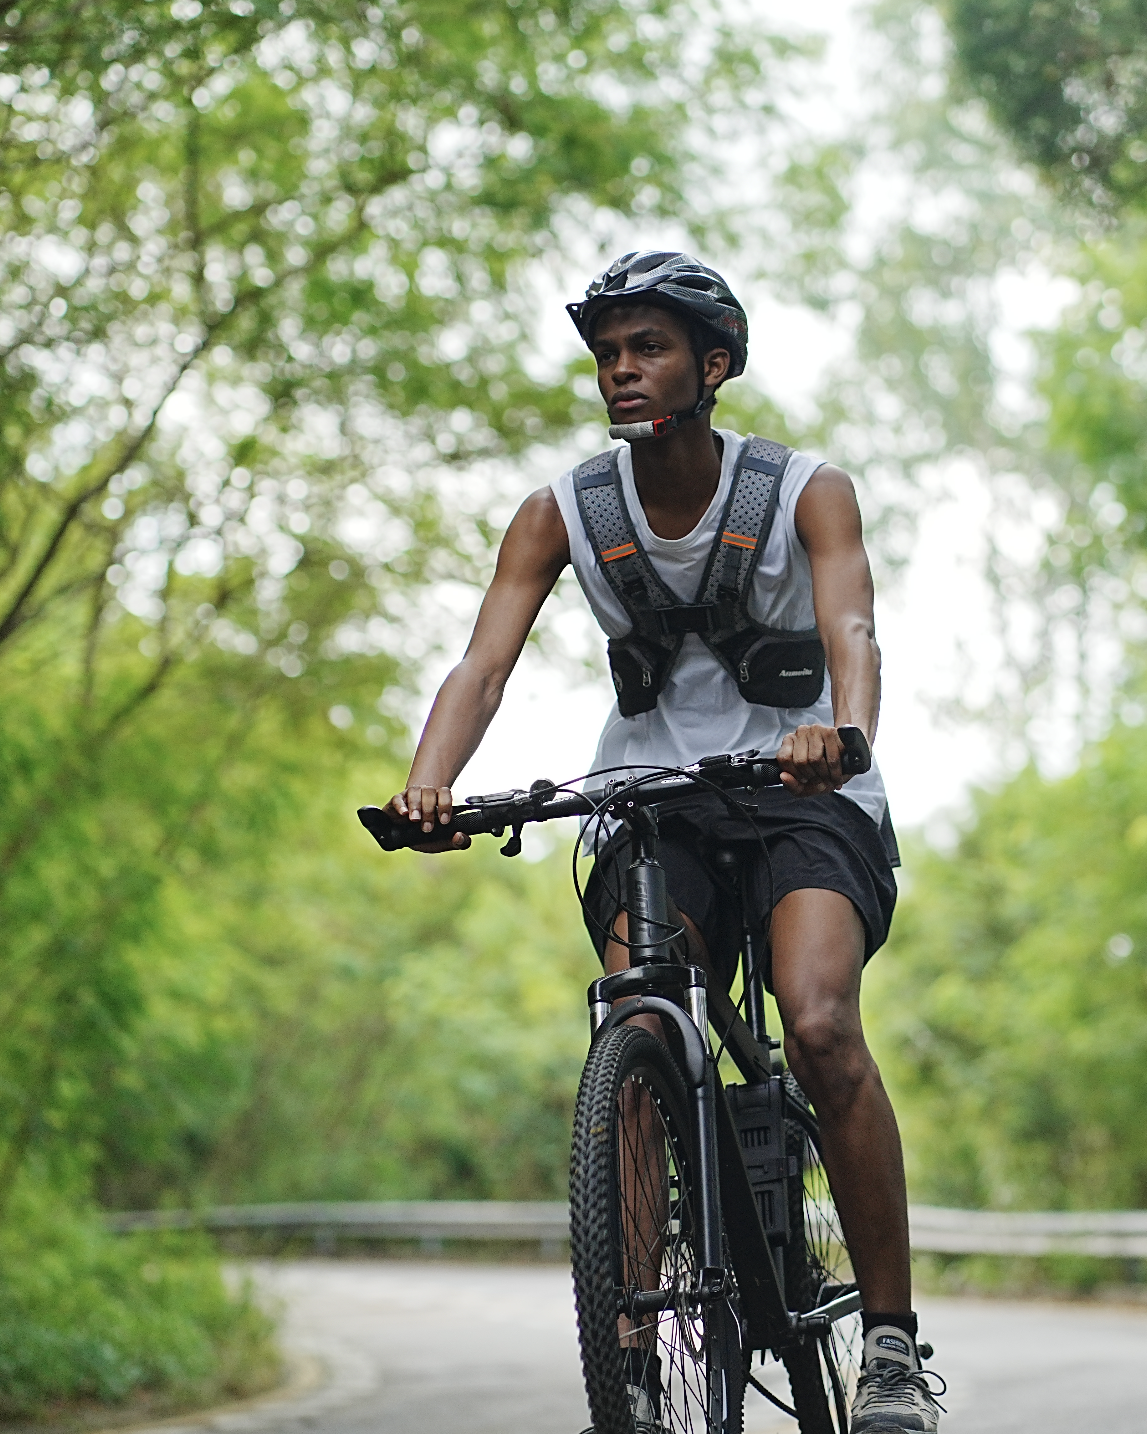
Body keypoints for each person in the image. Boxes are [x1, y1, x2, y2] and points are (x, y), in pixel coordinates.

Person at [387, 251, 944, 1434]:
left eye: (647, 348)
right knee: (637, 1026)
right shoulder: (563, 512)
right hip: (651, 799)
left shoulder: (803, 491)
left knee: (818, 1020)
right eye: (607, 354)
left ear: (713, 364)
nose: (621, 371)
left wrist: (843, 735)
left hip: (802, 790)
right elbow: (482, 664)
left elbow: (852, 625)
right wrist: (430, 786)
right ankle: (634, 1358)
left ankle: (892, 1347)